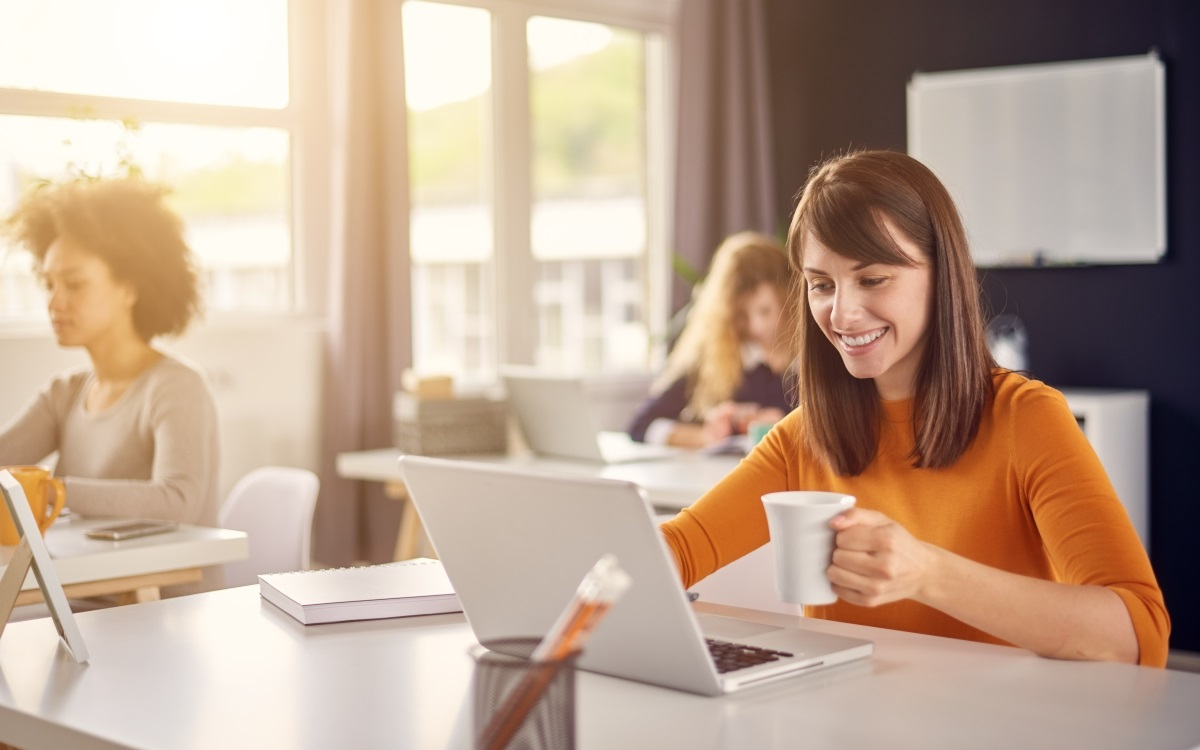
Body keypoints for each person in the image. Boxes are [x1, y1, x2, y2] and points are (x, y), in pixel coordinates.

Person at [660, 150, 1169, 666]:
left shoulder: (1026, 419)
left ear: (940, 273)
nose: (842, 313)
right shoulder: (803, 438)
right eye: (821, 284)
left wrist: (927, 573)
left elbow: (1137, 633)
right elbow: (677, 552)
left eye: (873, 279)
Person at [0, 177, 221, 541]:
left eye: (74, 284)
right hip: (85, 591)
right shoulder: (65, 393)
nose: (55, 302)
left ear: (130, 288)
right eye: (49, 284)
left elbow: (178, 500)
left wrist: (56, 493)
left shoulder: (177, 388)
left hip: (160, 594)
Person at [628, 231, 797, 449]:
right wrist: (705, 437)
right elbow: (641, 425)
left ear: (789, 300)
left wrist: (789, 425)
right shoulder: (713, 360)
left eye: (765, 311)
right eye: (741, 316)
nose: (755, 326)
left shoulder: (817, 360)